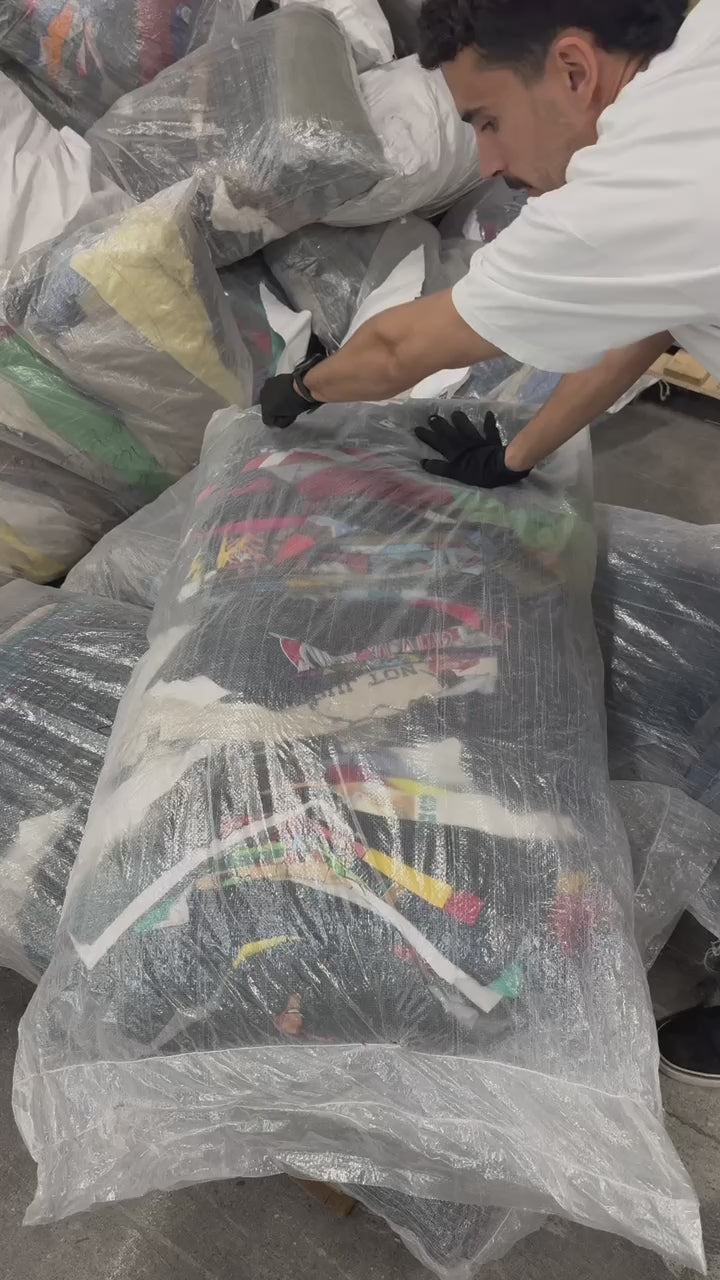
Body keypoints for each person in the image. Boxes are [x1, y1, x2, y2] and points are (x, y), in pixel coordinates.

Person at [261, 0, 720, 1083]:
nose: (493, 164)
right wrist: (518, 454)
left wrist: (296, 391)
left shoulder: (635, 188)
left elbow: (399, 348)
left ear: (574, 69)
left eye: (488, 121)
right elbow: (653, 318)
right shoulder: (699, 58)